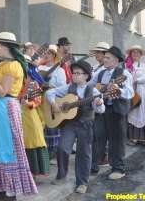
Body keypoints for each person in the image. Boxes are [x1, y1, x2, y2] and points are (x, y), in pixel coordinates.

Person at [0, 32, 37, 201]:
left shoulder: (13, 65)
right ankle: (1, 191)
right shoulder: (1, 64)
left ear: (3, 46)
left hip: (4, 107)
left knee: (7, 149)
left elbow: (1, 92)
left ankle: (10, 194)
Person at [46, 60, 105, 193]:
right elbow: (49, 93)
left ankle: (82, 183)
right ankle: (61, 175)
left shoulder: (93, 90)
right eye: (74, 73)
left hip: (86, 124)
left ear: (86, 76)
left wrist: (99, 103)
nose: (75, 75)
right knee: (62, 148)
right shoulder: (69, 87)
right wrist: (54, 104)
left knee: (84, 153)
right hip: (70, 124)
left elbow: (101, 110)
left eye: (78, 73)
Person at [89, 46, 134, 180]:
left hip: (117, 110)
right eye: (105, 57)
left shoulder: (124, 74)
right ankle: (94, 164)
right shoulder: (101, 73)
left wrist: (118, 91)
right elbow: (90, 85)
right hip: (101, 109)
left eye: (108, 58)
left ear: (116, 61)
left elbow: (130, 92)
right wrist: (97, 92)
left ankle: (118, 168)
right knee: (98, 136)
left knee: (116, 139)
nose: (104, 59)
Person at [38, 45, 67, 181]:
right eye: (46, 53)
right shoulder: (39, 68)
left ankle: (52, 154)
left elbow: (63, 87)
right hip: (38, 99)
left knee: (51, 126)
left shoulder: (60, 70)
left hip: (51, 99)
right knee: (40, 127)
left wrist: (50, 86)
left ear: (55, 55)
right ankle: (42, 155)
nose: (47, 55)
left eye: (50, 53)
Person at [19, 55, 49, 179]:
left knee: (33, 140)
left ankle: (33, 173)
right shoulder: (14, 79)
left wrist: (29, 103)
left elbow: (37, 99)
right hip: (13, 113)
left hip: (29, 114)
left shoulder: (32, 82)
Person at [125, 45, 145, 143]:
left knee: (141, 110)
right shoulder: (127, 65)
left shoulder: (144, 65)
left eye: (138, 52)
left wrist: (135, 79)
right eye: (133, 52)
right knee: (132, 111)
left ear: (141, 55)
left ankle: (142, 137)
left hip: (141, 90)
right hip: (130, 90)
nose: (135, 54)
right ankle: (133, 136)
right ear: (131, 54)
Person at [89, 42, 110, 174]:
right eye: (96, 52)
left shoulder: (107, 68)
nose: (96, 54)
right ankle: (98, 157)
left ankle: (102, 157)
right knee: (96, 133)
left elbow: (104, 86)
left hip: (104, 102)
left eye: (98, 52)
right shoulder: (96, 67)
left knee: (100, 132)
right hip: (92, 101)